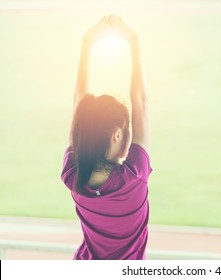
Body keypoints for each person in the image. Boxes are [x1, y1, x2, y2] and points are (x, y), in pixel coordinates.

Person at [61, 15, 152, 260]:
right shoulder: (134, 177)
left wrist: (87, 42)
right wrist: (133, 39)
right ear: (118, 134)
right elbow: (140, 101)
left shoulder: (72, 177)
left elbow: (79, 106)